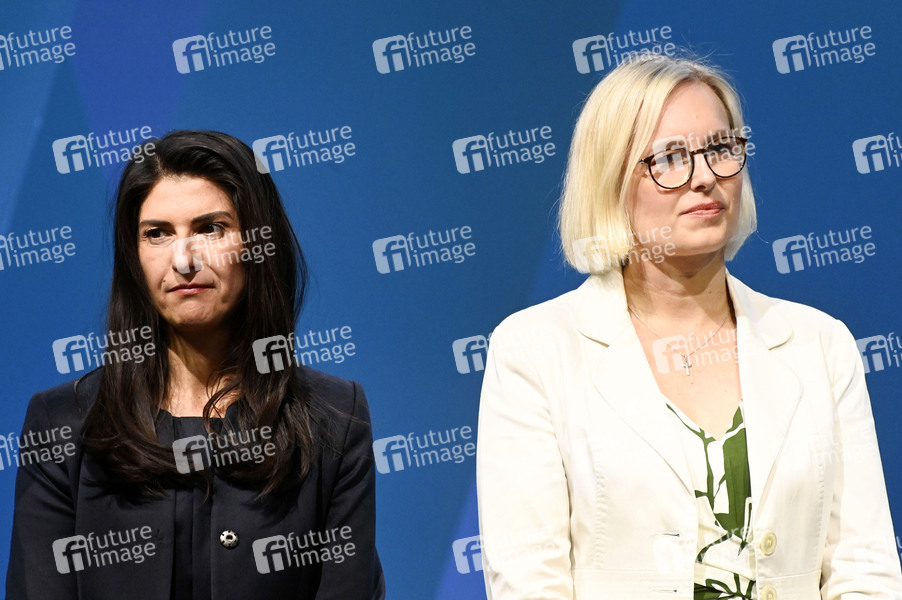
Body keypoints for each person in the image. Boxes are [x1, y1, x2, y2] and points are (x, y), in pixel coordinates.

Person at [476, 54, 902, 599]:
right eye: (670, 158)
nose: (705, 178)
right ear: (610, 179)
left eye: (721, 149)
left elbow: (864, 567)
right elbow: (529, 581)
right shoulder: (535, 351)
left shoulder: (820, 343)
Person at [7, 130, 385, 599]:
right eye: (157, 234)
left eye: (210, 228)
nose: (183, 259)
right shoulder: (61, 423)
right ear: (133, 256)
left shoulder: (335, 416)